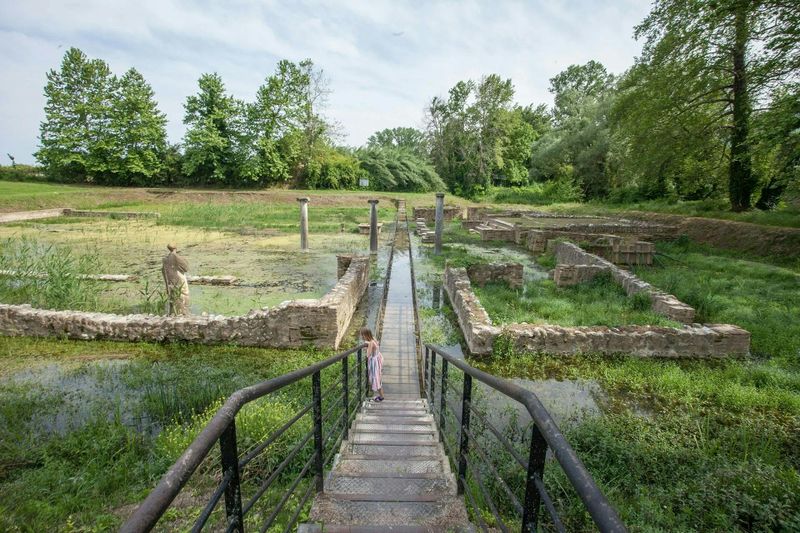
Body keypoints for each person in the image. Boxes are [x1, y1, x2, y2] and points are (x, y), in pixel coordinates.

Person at [162, 243, 190, 315]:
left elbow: (163, 272)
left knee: (173, 299)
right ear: (176, 248)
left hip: (170, 282)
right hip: (179, 281)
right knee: (183, 297)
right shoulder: (177, 257)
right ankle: (183, 314)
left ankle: (174, 314)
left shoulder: (165, 259)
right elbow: (186, 268)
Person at [360, 327, 384, 402]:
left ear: (366, 335)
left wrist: (366, 348)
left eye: (362, 335)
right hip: (378, 360)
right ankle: (380, 395)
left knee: (376, 379)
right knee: (378, 378)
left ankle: (381, 396)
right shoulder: (373, 339)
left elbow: (368, 355)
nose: (362, 337)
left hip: (374, 363)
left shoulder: (370, 343)